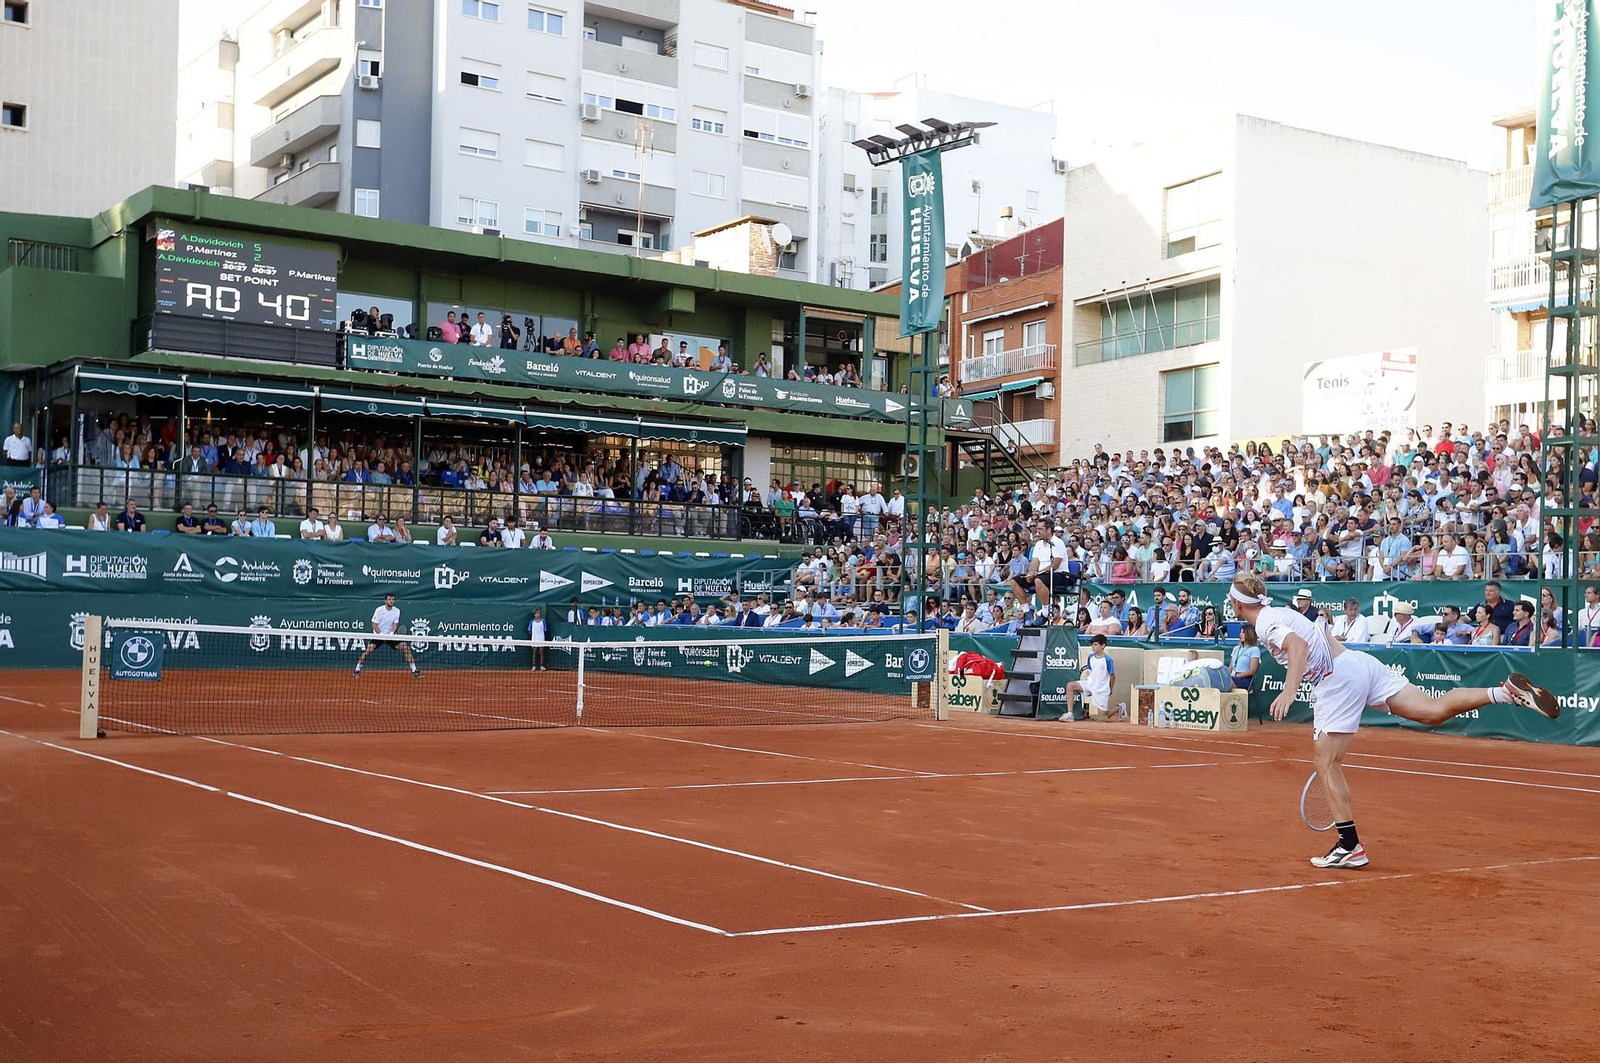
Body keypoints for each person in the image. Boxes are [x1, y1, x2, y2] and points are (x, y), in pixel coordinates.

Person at [1234, 574, 1559, 871]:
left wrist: (1289, 690)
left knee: (1327, 762)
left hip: (1336, 678)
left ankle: (1349, 846)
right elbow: (1312, 636)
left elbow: (1298, 645)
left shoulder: (1265, 622)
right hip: (1358, 663)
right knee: (1431, 711)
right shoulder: (1282, 612)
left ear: (1236, 604)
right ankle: (1504, 693)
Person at [353, 593, 421, 678]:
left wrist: (391, 633)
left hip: (390, 636)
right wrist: (381, 634)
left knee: (405, 647)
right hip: (378, 635)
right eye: (389, 599)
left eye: (392, 599)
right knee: (368, 651)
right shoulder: (379, 610)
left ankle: (414, 670)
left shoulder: (397, 611)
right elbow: (374, 624)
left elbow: (395, 624)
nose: (391, 601)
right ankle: (357, 669)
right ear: (385, 601)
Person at [1230, 623, 1261, 691]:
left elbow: (1252, 671)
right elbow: (1230, 667)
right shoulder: (1236, 648)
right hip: (1233, 676)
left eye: (1243, 632)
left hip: (1244, 679)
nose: (1240, 634)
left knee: (1224, 683)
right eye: (1240, 632)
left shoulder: (1254, 650)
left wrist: (1237, 676)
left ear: (1249, 634)